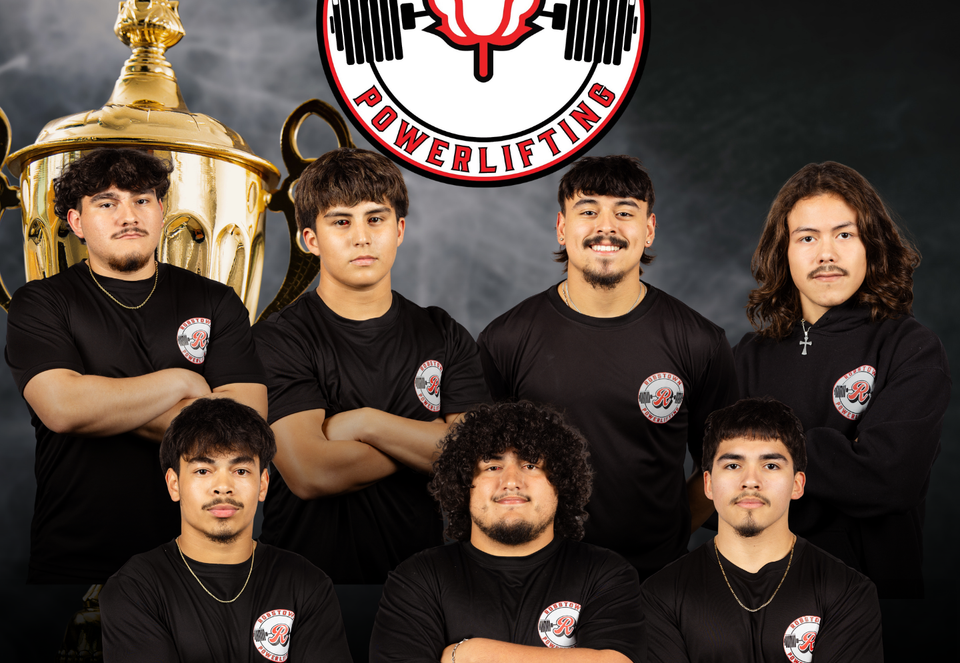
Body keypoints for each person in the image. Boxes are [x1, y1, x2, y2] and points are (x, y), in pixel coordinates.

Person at [370, 400, 643, 663]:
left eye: (532, 465)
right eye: (492, 466)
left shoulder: (604, 572)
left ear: (562, 484)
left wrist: (468, 654)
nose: (511, 480)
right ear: (464, 485)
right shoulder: (420, 575)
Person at [4, 147, 267, 584]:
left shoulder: (215, 301)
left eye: (142, 200)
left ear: (161, 211)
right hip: (74, 561)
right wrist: (184, 381)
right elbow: (63, 408)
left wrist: (103, 401)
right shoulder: (42, 303)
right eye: (107, 203)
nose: (129, 215)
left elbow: (244, 431)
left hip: (197, 563)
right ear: (76, 223)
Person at [478, 155, 738, 582]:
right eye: (588, 211)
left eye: (624, 212)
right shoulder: (505, 339)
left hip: (658, 581)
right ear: (562, 227)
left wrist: (668, 535)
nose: (606, 226)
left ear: (649, 229)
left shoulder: (699, 341)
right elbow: (483, 467)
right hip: (537, 576)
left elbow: (726, 461)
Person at [635, 397, 884, 663]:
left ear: (798, 483)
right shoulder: (658, 593)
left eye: (771, 466)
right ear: (708, 484)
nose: (750, 481)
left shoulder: (847, 588)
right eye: (732, 466)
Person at [100, 398, 356, 663]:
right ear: (173, 484)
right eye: (203, 469)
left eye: (240, 469)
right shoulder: (135, 584)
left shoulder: (305, 580)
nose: (223, 486)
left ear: (263, 484)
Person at [254, 148, 489, 583]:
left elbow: (476, 461)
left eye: (375, 219)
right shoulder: (278, 339)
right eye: (341, 221)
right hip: (303, 589)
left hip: (422, 589)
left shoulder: (443, 333)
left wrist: (364, 423)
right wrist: (434, 445)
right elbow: (311, 472)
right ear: (310, 239)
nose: (361, 237)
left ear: (399, 230)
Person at [734, 161, 950, 597]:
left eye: (844, 234)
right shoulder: (746, 358)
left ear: (871, 244)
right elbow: (719, 489)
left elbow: (888, 479)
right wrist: (839, 454)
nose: (826, 254)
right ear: (784, 252)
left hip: (874, 608)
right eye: (807, 237)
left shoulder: (910, 348)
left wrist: (765, 455)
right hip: (756, 605)